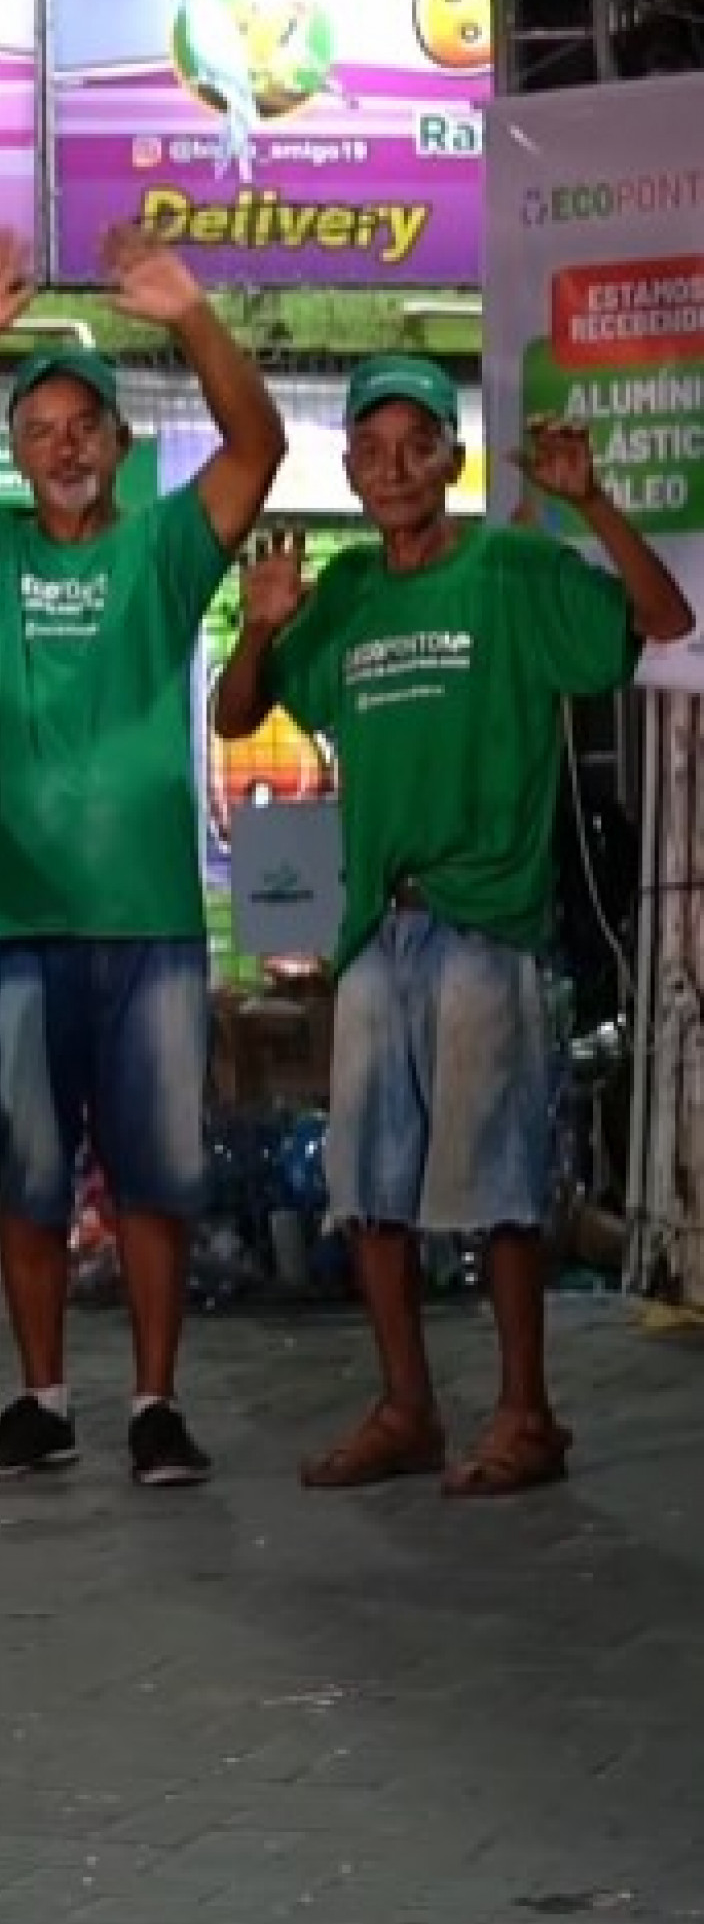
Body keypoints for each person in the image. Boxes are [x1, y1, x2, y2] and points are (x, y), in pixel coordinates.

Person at [213, 359, 692, 1496]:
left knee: (506, 1182)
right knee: (370, 1182)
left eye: (413, 444)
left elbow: (666, 619)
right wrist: (261, 626)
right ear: (350, 469)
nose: (390, 468)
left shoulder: (513, 567)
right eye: (368, 450)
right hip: (382, 927)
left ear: (450, 458)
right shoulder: (345, 594)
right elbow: (238, 715)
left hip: (489, 920)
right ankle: (406, 1408)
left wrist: (591, 502)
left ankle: (529, 1414)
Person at [0, 224, 285, 1489]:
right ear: (17, 454)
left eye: (84, 425)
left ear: (115, 443)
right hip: (10, 923)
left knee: (159, 1175)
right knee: (31, 1174)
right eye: (38, 427)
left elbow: (260, 449)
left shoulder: (162, 547)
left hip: (151, 922)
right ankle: (43, 1399)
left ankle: (155, 1404)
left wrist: (194, 316)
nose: (63, 443)